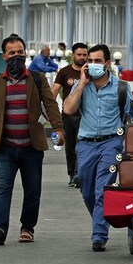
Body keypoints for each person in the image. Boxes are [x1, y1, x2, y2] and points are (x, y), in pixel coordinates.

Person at [0, 35, 64, 246]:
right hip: (6, 148)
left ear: (26, 53)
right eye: (12, 53)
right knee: (3, 189)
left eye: (20, 52)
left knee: (33, 190)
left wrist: (59, 128)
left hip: (31, 147)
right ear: (4, 56)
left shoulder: (36, 79)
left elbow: (51, 104)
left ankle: (27, 228)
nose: (17, 56)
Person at [63, 44, 131, 252]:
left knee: (103, 189)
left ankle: (99, 235)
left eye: (97, 61)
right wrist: (82, 84)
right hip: (85, 145)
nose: (92, 65)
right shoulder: (81, 85)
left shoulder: (121, 87)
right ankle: (102, 218)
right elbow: (68, 108)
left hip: (111, 143)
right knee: (86, 190)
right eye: (89, 61)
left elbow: (131, 115)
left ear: (107, 64)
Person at [52, 42, 88, 188]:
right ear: (73, 55)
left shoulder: (90, 72)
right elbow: (53, 92)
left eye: (84, 55)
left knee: (83, 145)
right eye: (79, 54)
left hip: (85, 115)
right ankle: (72, 174)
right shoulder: (64, 72)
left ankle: (81, 174)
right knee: (71, 146)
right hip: (68, 115)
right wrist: (51, 112)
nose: (82, 57)